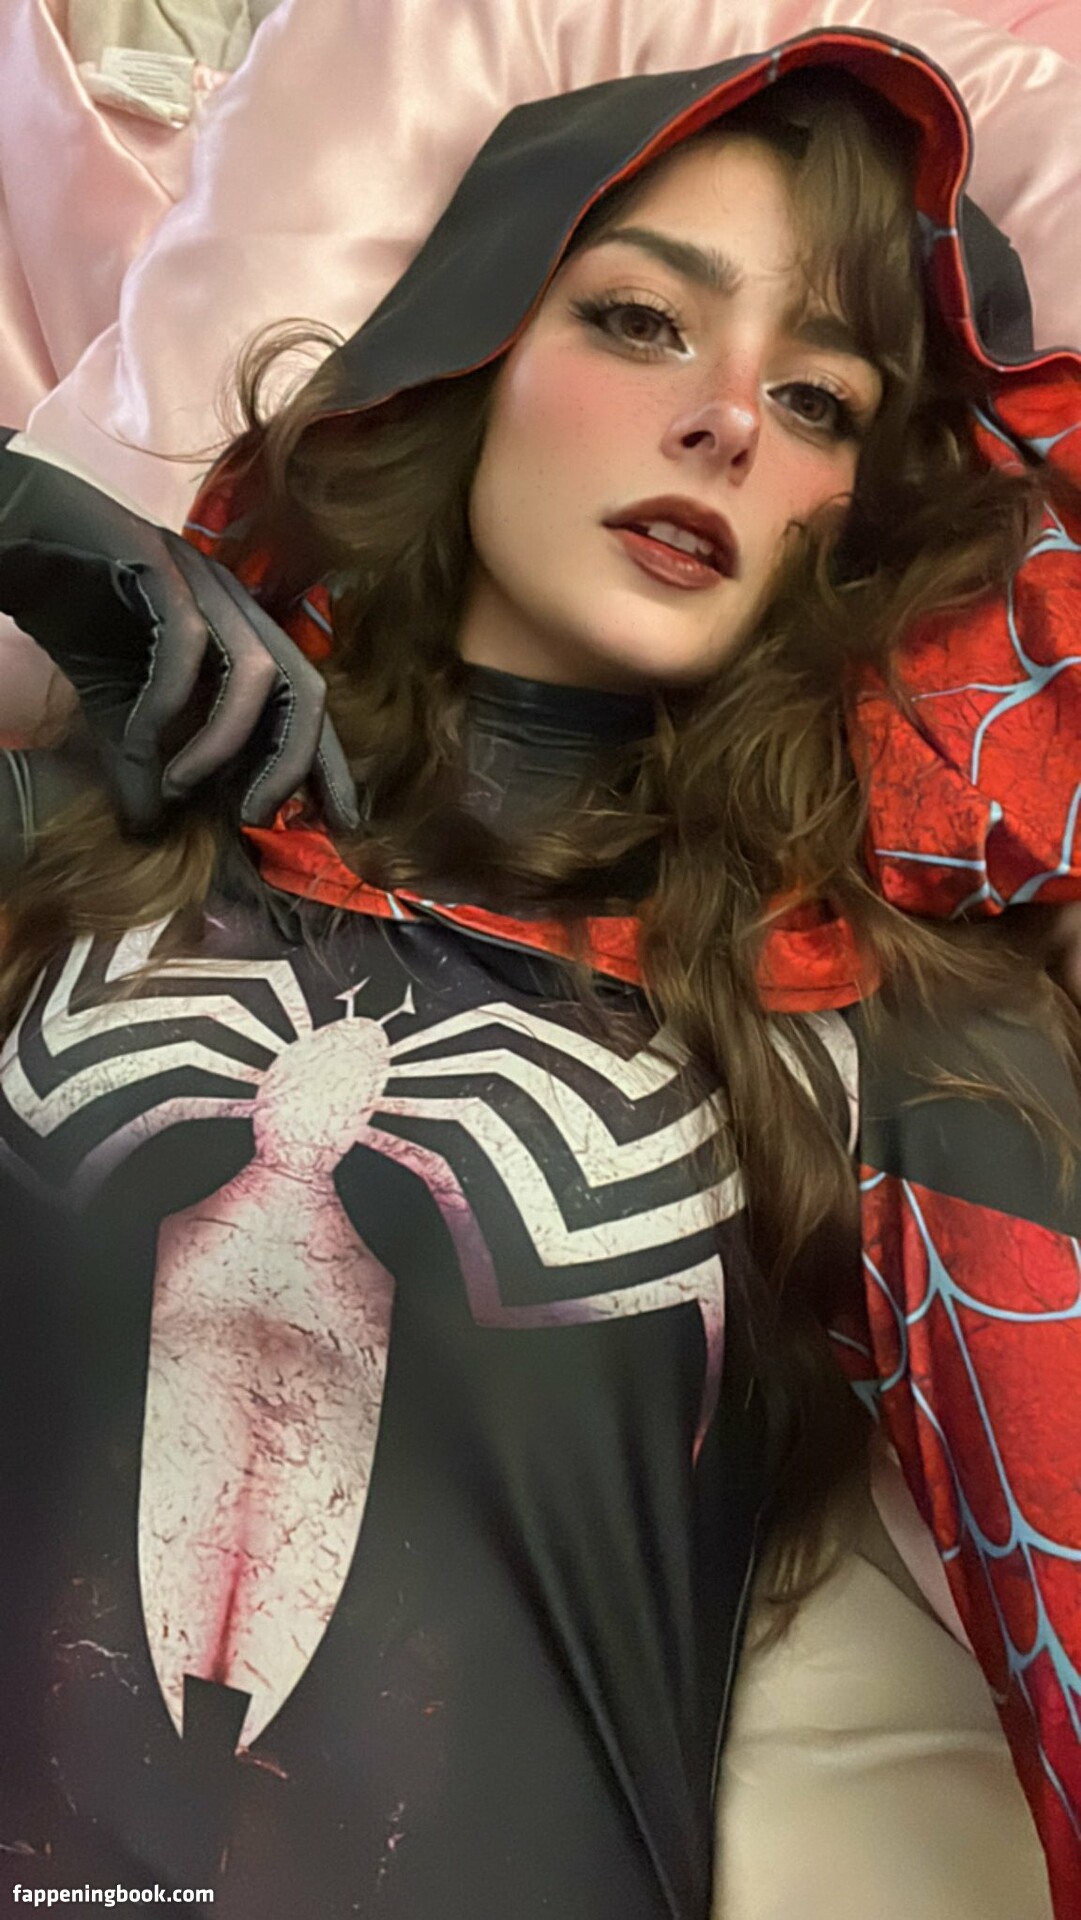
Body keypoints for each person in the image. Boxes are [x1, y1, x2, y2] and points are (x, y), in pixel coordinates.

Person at [0, 27, 1078, 1920]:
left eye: (818, 399)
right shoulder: (73, 849)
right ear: (469, 351)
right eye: (643, 322)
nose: (726, 420)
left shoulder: (884, 1032)